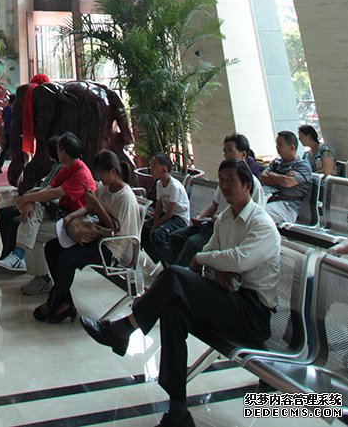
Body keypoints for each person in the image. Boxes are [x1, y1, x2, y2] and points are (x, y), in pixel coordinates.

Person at [82, 159, 281, 427]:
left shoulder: (262, 224)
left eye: (231, 180)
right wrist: (215, 262)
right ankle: (178, 411)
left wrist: (204, 259)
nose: (224, 186)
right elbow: (215, 253)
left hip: (251, 314)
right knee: (173, 312)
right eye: (221, 180)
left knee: (175, 275)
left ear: (247, 185)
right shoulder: (225, 219)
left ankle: (124, 328)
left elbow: (238, 259)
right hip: (228, 299)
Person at [36, 149, 139, 324]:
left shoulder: (125, 196)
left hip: (113, 248)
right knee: (52, 248)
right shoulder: (106, 189)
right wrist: (72, 216)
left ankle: (54, 302)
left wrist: (96, 204)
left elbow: (113, 228)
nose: (99, 177)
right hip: (99, 239)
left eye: (102, 173)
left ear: (113, 171)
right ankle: (65, 302)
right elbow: (90, 207)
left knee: (67, 259)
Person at [0, 132, 96, 285]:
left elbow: (55, 193)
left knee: (31, 232)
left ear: (63, 152)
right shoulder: (66, 169)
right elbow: (48, 189)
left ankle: (39, 276)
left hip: (75, 220)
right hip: (61, 214)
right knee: (32, 214)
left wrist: (27, 198)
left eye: (58, 149)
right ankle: (19, 258)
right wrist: (29, 201)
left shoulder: (81, 173)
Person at [165, 134, 265, 266]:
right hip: (214, 224)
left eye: (230, 151)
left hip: (228, 229)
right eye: (225, 152)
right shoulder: (224, 185)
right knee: (176, 237)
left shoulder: (252, 184)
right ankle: (176, 270)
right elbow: (214, 206)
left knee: (193, 244)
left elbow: (250, 219)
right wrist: (200, 217)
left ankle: (179, 273)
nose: (227, 155)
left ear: (243, 155)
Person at [0, 136, 61, 295]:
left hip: (49, 208)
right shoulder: (56, 167)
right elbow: (46, 188)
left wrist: (30, 199)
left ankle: (18, 258)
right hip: (41, 203)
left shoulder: (66, 169)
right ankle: (8, 255)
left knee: (18, 221)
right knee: (4, 213)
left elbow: (53, 193)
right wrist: (28, 198)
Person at [141, 154, 190, 265]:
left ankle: (173, 264)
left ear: (163, 170)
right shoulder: (159, 184)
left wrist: (155, 225)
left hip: (179, 218)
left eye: (154, 165)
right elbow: (158, 207)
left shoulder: (174, 187)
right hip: (166, 215)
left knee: (158, 234)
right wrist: (155, 222)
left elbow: (169, 213)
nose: (151, 168)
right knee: (143, 229)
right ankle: (160, 258)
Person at [259, 130, 313, 224]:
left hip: (288, 206)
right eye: (277, 144)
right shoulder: (276, 162)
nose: (277, 147)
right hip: (269, 198)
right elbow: (263, 177)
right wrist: (282, 178)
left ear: (292, 148)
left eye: (280, 144)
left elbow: (287, 182)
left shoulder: (302, 166)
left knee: (257, 216)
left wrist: (271, 174)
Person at [0, 95, 14, 173]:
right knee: (7, 149)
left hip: (6, 130)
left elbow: (3, 119)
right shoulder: (13, 109)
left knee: (6, 148)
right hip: (12, 131)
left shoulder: (6, 109)